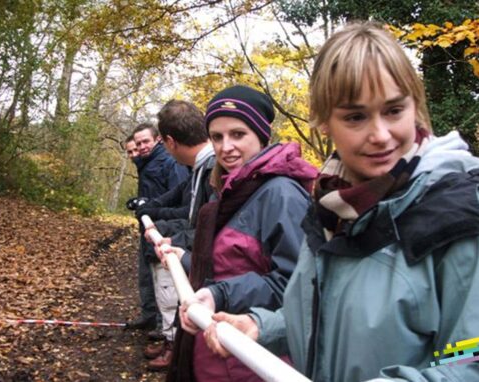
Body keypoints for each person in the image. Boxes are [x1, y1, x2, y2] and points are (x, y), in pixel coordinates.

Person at [205, 22, 479, 382]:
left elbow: (467, 355)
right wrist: (263, 326)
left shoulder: (457, 215)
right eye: (355, 117)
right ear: (324, 124)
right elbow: (325, 313)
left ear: (415, 106)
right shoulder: (329, 210)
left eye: (394, 110)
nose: (380, 135)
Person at [167, 85, 319, 382]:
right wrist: (186, 260)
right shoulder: (228, 192)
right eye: (217, 137)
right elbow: (228, 266)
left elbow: (295, 285)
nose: (226, 147)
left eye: (238, 134)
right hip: (215, 355)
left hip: (252, 363)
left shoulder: (281, 195)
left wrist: (218, 294)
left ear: (261, 136)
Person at [134, 100, 216, 371]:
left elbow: (208, 223)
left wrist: (171, 235)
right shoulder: (197, 169)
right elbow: (180, 199)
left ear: (169, 141)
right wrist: (148, 208)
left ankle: (177, 349)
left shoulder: (213, 169)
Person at [126, 123, 190, 330]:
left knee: (166, 283)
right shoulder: (145, 163)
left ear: (157, 140)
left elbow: (178, 198)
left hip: (166, 231)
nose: (142, 147)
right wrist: (141, 203)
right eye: (138, 143)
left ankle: (166, 333)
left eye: (146, 141)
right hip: (149, 228)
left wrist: (156, 215)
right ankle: (151, 318)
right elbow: (155, 194)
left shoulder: (171, 163)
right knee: (147, 276)